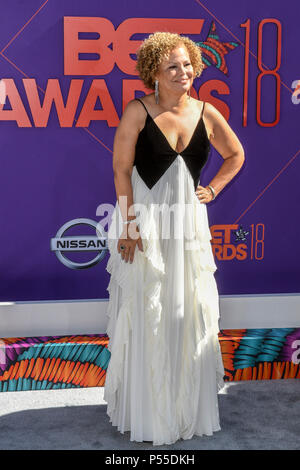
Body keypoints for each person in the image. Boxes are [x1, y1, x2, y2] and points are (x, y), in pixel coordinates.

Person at [103, 31, 245, 446]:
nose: (183, 73)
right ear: (154, 73)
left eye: (187, 64)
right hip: (147, 224)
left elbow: (235, 154)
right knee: (149, 312)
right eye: (172, 67)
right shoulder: (137, 111)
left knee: (186, 312)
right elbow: (121, 171)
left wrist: (213, 189)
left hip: (188, 227)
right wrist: (128, 226)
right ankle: (150, 415)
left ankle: (185, 411)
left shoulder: (206, 111)